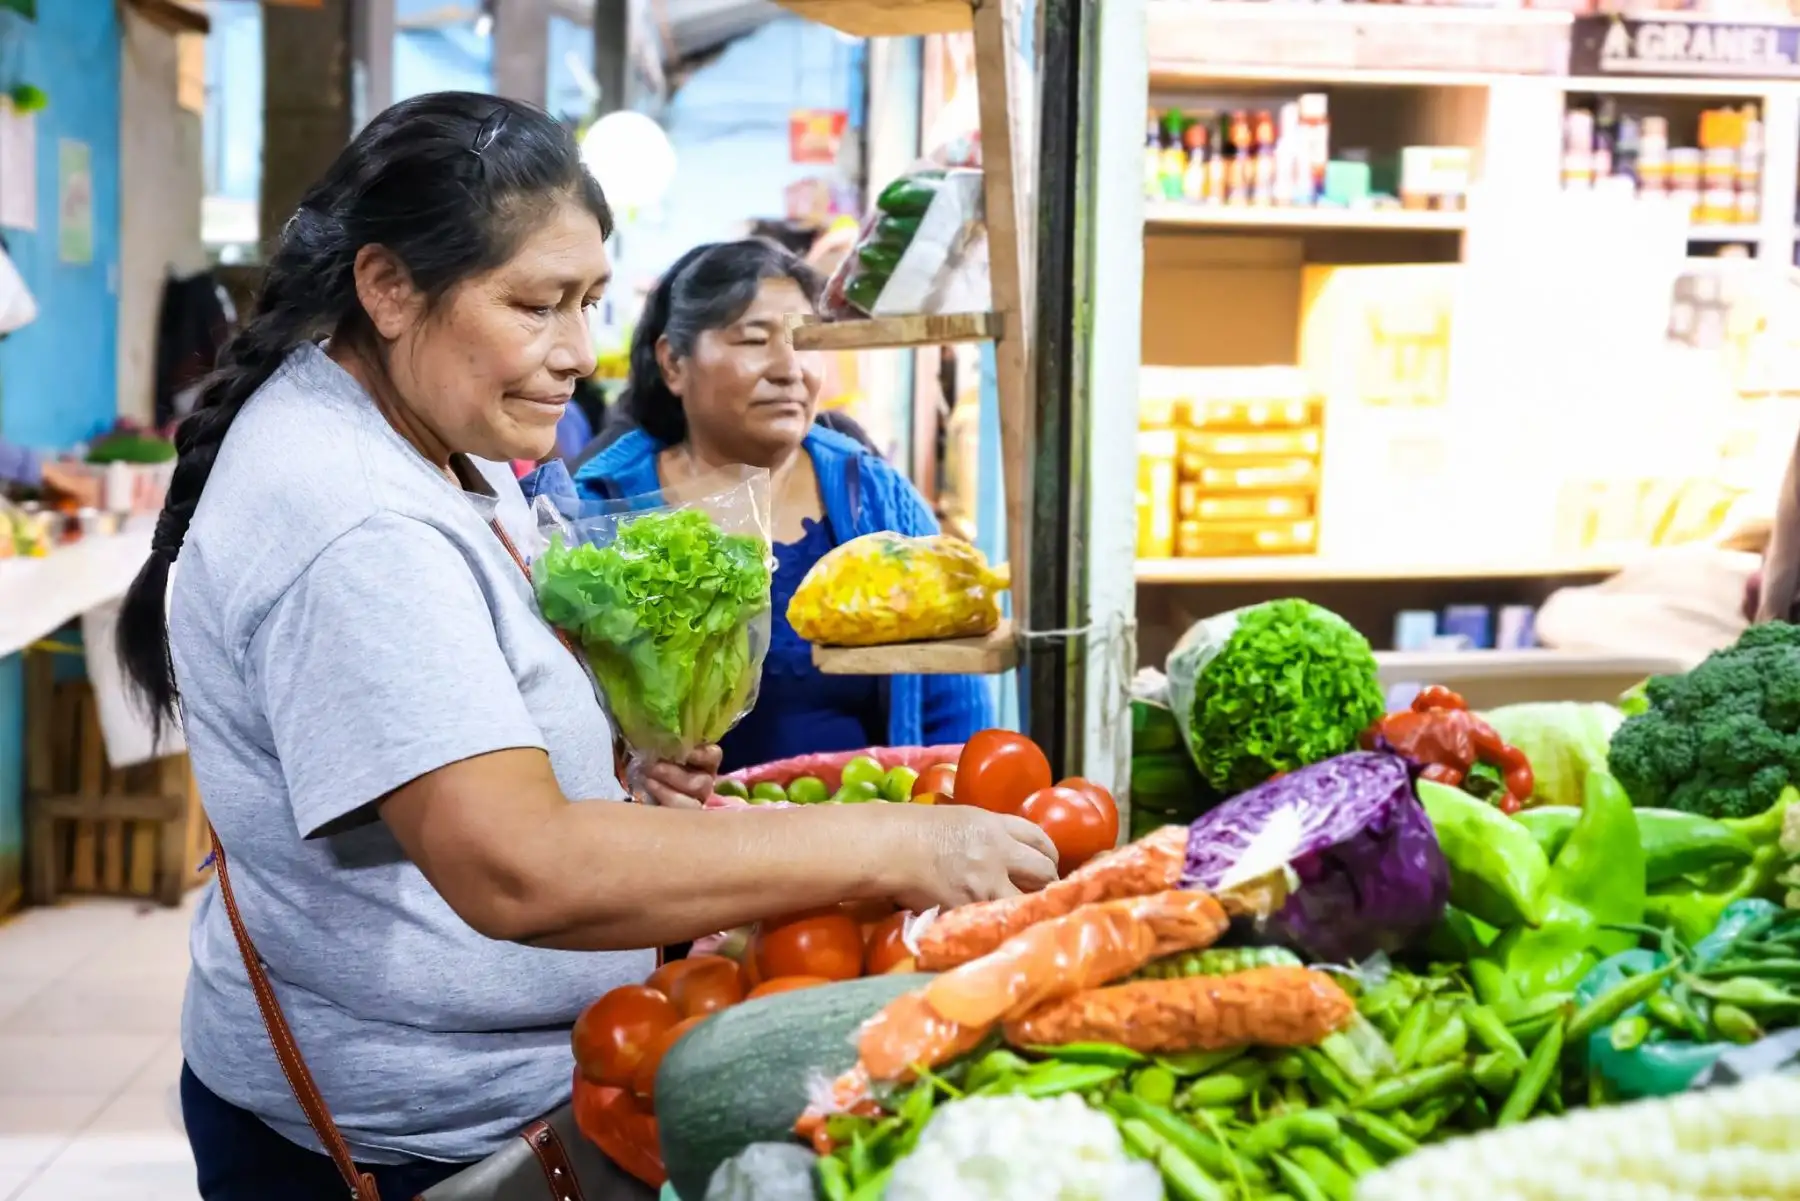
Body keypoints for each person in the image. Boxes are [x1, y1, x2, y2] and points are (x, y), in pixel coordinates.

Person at [112, 93, 1056, 1201]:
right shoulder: (355, 520)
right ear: (387, 287)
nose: (576, 352)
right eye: (535, 305)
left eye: (590, 302)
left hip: (491, 1091)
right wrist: (899, 842)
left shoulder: (437, 432)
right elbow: (519, 866)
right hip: (408, 1145)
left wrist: (614, 776)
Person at [573, 239, 995, 772]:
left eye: (806, 341)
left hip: (868, 818)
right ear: (674, 363)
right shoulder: (601, 507)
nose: (789, 368)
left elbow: (955, 710)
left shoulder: (876, 498)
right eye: (754, 340)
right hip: (665, 823)